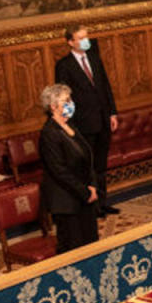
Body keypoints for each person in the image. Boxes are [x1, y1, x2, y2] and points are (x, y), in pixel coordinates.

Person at [54, 24, 119, 216]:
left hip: (102, 119)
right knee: (88, 166)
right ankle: (93, 205)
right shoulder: (64, 65)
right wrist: (69, 124)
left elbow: (105, 86)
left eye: (86, 36)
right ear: (70, 42)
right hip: (83, 123)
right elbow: (64, 97)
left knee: (101, 165)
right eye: (81, 38)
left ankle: (103, 201)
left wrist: (112, 113)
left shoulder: (94, 58)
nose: (86, 40)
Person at [38, 83, 99, 253]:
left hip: (84, 196)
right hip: (67, 201)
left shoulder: (70, 126)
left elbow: (87, 157)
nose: (71, 103)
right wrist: (85, 192)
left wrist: (92, 185)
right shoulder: (49, 133)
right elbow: (59, 170)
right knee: (74, 249)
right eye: (66, 100)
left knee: (92, 246)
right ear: (53, 106)